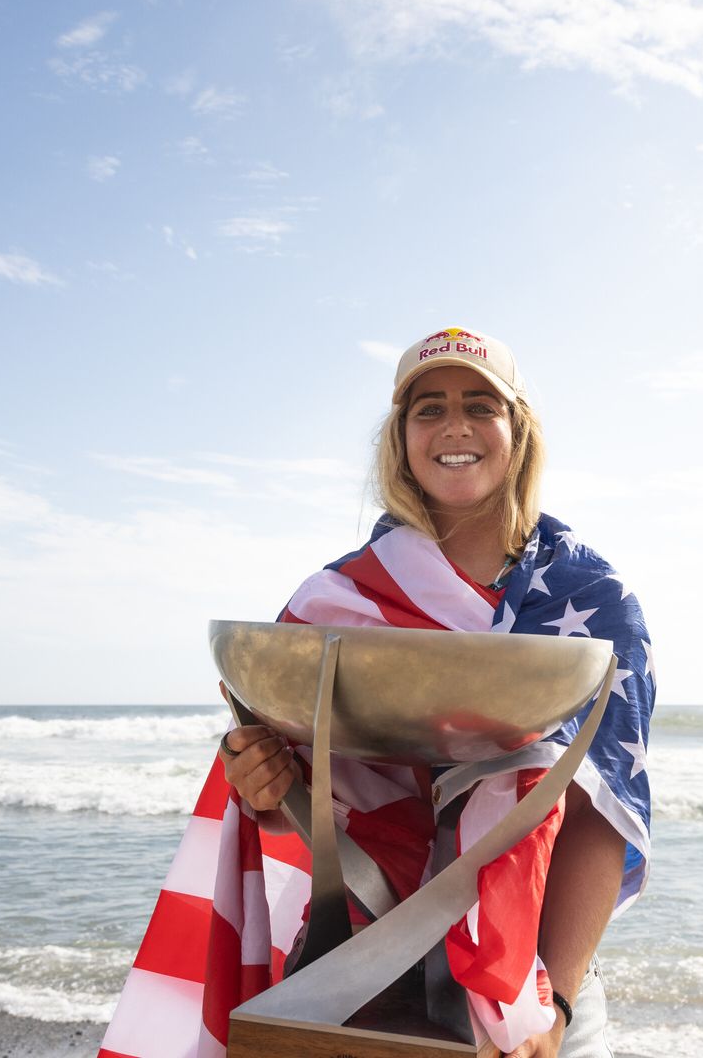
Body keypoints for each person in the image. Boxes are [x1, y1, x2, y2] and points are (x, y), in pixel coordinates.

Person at [97, 328, 655, 1058]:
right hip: (357, 971)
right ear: (400, 439)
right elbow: (310, 802)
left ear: (517, 432)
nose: (454, 426)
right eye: (429, 409)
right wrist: (263, 786)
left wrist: (558, 1009)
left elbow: (602, 814)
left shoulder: (592, 600)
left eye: (480, 405)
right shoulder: (339, 601)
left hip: (530, 983)